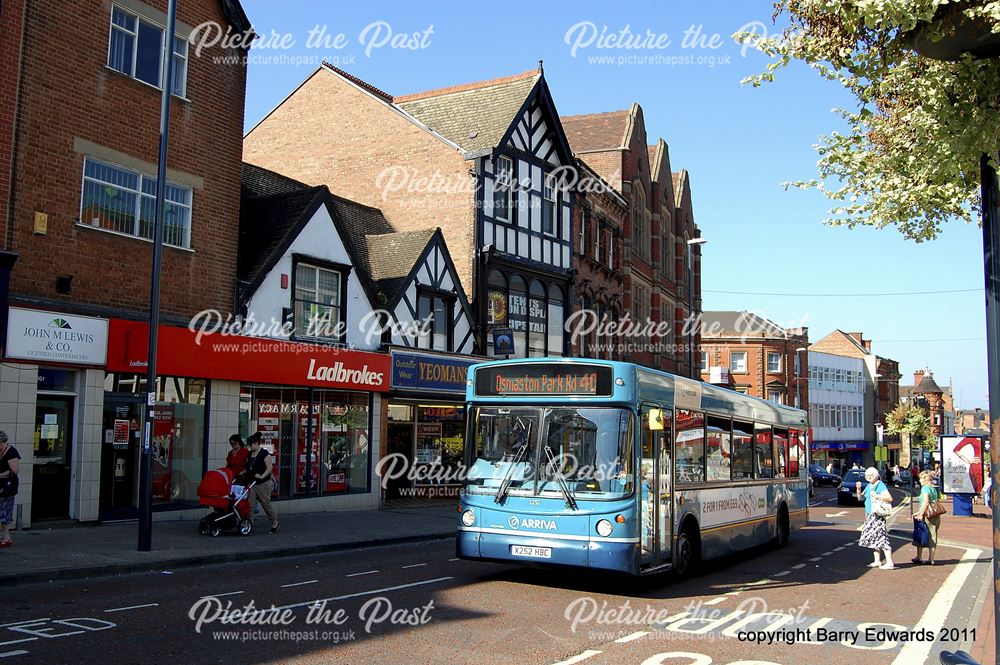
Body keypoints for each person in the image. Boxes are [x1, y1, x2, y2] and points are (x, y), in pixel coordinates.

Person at [857, 466, 895, 569]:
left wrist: (877, 496)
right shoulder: (869, 485)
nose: (869, 477)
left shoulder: (880, 485)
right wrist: (858, 489)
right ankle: (877, 561)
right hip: (869, 515)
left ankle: (889, 562)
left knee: (881, 537)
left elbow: (889, 498)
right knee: (873, 538)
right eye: (867, 476)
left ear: (876, 475)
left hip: (878, 515)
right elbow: (861, 498)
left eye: (871, 475)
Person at [246, 433, 279, 533]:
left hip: (263, 483)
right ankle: (249, 525)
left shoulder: (264, 454)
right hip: (252, 483)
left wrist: (262, 476)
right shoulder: (250, 454)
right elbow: (248, 465)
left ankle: (274, 522)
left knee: (265, 504)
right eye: (249, 445)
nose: (250, 447)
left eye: (251, 445)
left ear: (256, 443)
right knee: (250, 505)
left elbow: (269, 468)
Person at [912, 470, 942, 565]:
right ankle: (931, 558)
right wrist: (919, 511)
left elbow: (926, 502)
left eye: (921, 478)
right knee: (933, 535)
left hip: (927, 515)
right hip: (935, 514)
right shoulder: (933, 488)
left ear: (925, 479)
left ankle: (919, 557)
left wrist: (921, 513)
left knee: (921, 534)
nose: (919, 480)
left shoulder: (925, 488)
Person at [0, 431, 20, 547]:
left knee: (3, 510)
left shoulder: (12, 452)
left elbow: (14, 472)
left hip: (8, 486)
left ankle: (6, 537)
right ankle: (5, 537)